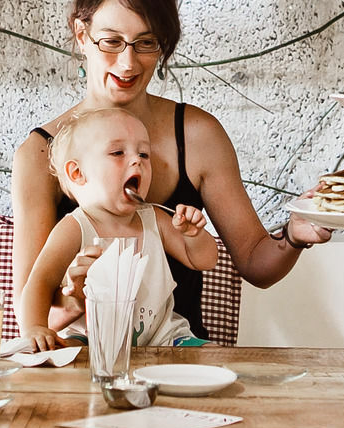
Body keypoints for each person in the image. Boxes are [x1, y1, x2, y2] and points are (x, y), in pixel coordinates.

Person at [10, 0, 332, 428]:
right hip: (82, 390)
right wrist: (70, 299)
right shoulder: (42, 154)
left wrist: (296, 233)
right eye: (109, 42)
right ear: (79, 34)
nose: (127, 63)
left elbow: (256, 263)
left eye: (147, 44)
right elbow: (36, 317)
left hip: (180, 380)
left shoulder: (197, 136)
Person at [17, 107, 216, 354]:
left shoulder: (153, 218)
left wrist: (193, 236)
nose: (136, 161)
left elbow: (203, 260)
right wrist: (34, 328)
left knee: (212, 354)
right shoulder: (75, 227)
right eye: (117, 152)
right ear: (77, 173)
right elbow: (40, 282)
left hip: (163, 338)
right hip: (92, 338)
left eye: (144, 154)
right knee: (67, 353)